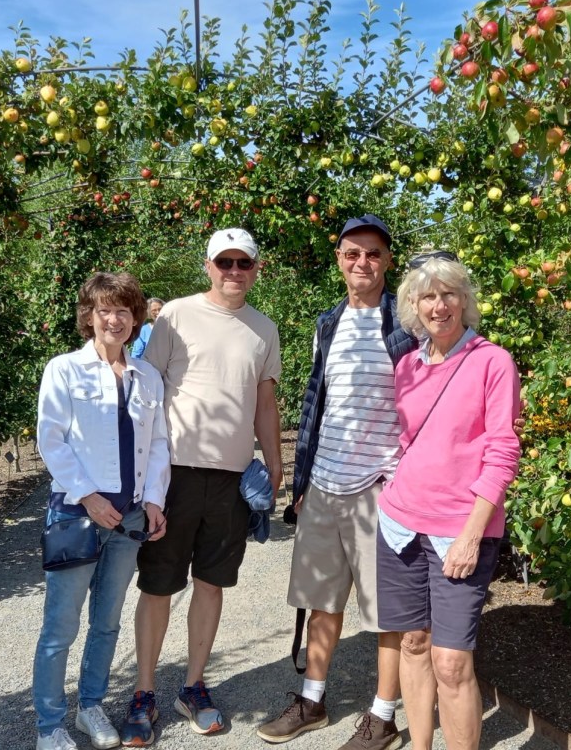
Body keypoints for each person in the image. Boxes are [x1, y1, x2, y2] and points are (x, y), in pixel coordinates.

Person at [257, 215, 416, 750]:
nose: (362, 262)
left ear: (387, 261)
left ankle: (382, 716)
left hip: (381, 488)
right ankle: (312, 701)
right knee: (322, 600)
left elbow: (424, 404)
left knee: (387, 612)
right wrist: (302, 480)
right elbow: (316, 404)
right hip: (325, 483)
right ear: (340, 261)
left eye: (373, 253)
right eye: (352, 253)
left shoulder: (407, 323)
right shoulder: (328, 322)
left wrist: (405, 480)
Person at [120, 228, 282, 746]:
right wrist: (139, 474)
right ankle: (144, 692)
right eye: (224, 262)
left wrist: (275, 465)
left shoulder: (264, 329)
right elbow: (146, 391)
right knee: (158, 585)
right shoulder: (176, 315)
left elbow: (264, 404)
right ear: (208, 266)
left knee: (211, 583)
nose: (233, 271)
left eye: (243, 263)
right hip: (174, 476)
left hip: (233, 481)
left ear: (256, 269)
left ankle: (193, 687)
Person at [376, 253, 520, 750]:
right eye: (428, 297)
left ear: (464, 300)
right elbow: (406, 442)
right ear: (413, 306)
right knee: (413, 644)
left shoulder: (492, 361)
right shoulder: (408, 366)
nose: (439, 306)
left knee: (452, 662)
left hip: (461, 530)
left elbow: (503, 452)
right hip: (400, 525)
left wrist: (472, 535)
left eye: (449, 294)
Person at [33, 273, 170, 750]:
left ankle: (90, 706)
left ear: (135, 319)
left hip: (128, 520)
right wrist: (88, 496)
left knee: (107, 622)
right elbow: (51, 439)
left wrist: (154, 499)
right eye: (104, 310)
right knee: (60, 627)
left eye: (124, 311)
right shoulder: (65, 370)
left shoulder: (146, 376)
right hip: (78, 515)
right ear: (88, 317)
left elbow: (158, 443)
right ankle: (49, 726)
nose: (114, 319)